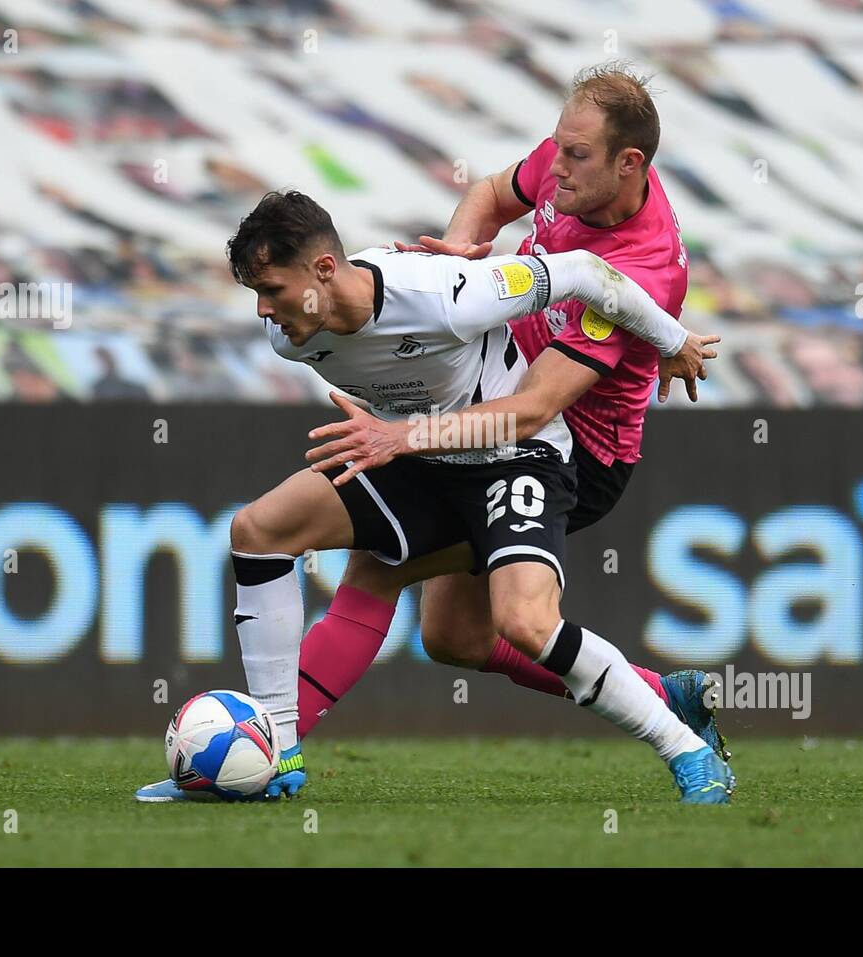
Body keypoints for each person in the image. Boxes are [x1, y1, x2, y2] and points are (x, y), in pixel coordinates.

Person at [136, 187, 732, 804]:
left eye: (273, 291)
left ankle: (685, 748)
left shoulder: (442, 294)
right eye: (255, 295)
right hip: (417, 456)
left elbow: (583, 273)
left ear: (322, 270)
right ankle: (276, 748)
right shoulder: (293, 337)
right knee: (258, 531)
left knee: (523, 622)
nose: (263, 311)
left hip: (515, 457)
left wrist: (670, 340)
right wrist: (396, 433)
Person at [289, 64, 729, 780]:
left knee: (383, 570)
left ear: (630, 164)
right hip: (493, 395)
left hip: (568, 454)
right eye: (556, 147)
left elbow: (534, 410)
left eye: (576, 155)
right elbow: (492, 193)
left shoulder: (641, 270)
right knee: (454, 636)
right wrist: (461, 259)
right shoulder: (572, 166)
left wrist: (404, 436)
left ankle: (271, 746)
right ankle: (660, 696)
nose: (555, 170)